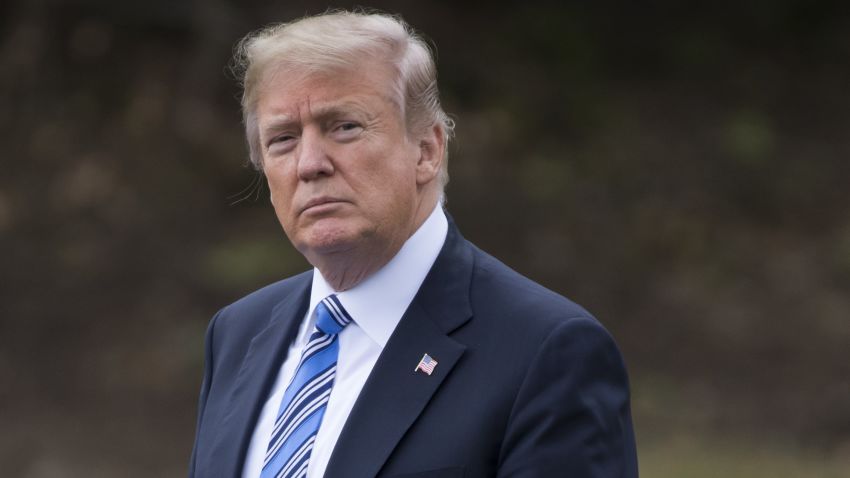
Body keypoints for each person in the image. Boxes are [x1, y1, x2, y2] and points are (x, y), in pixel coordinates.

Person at [189, 10, 638, 478]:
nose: (309, 164)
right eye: (282, 139)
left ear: (427, 149)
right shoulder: (237, 334)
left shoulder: (547, 352)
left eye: (344, 127)